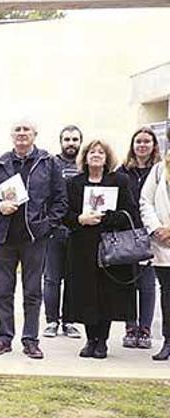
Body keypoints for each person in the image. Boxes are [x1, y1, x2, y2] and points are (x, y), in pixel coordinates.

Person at [0, 119, 67, 360]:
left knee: (32, 292)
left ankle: (31, 340)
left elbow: (61, 200)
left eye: (26, 129)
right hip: (4, 237)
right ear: (11, 135)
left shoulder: (48, 163)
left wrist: (47, 225)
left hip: (34, 239)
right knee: (3, 291)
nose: (21, 133)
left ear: (35, 134)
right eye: (17, 130)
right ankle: (4, 337)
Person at [63, 140, 139, 359]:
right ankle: (90, 340)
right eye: (92, 152)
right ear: (85, 157)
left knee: (106, 294)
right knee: (86, 293)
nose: (96, 155)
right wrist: (80, 219)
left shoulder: (119, 180)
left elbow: (130, 213)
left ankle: (102, 341)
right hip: (82, 248)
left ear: (107, 158)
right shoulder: (74, 183)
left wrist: (105, 218)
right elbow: (64, 214)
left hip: (110, 248)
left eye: (101, 153)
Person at [117, 127, 162, 349]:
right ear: (132, 146)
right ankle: (130, 326)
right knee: (128, 282)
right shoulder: (122, 171)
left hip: (152, 233)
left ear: (154, 146)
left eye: (147, 142)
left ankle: (145, 329)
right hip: (128, 232)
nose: (142, 145)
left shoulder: (160, 171)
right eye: (138, 142)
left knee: (147, 283)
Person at [43, 125, 84, 339]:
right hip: (55, 230)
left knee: (73, 278)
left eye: (75, 139)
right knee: (51, 279)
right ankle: (51, 321)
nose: (71, 143)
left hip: (79, 231)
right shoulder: (52, 164)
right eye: (67, 139)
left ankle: (69, 321)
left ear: (80, 142)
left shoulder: (85, 165)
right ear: (61, 142)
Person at [139, 129, 170, 361]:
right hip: (163, 244)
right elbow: (145, 201)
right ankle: (168, 341)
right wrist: (157, 228)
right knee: (167, 295)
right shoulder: (159, 169)